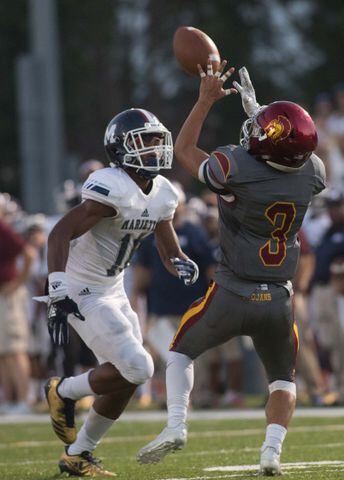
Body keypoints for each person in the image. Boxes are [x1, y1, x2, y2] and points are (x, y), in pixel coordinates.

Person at [136, 60, 326, 476]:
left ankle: (176, 425)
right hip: (279, 298)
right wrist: (264, 120)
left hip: (232, 291)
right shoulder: (312, 173)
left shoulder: (234, 168)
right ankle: (271, 453)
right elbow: (285, 154)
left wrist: (204, 101)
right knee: (283, 379)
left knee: (181, 352)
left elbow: (185, 151)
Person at [40, 108, 199, 477]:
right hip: (83, 288)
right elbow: (59, 234)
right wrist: (57, 284)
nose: (154, 148)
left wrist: (179, 259)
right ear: (120, 147)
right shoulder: (110, 185)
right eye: (144, 141)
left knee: (129, 374)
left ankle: (78, 454)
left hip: (114, 289)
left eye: (157, 140)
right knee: (139, 366)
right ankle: (63, 391)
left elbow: (164, 238)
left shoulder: (162, 193)